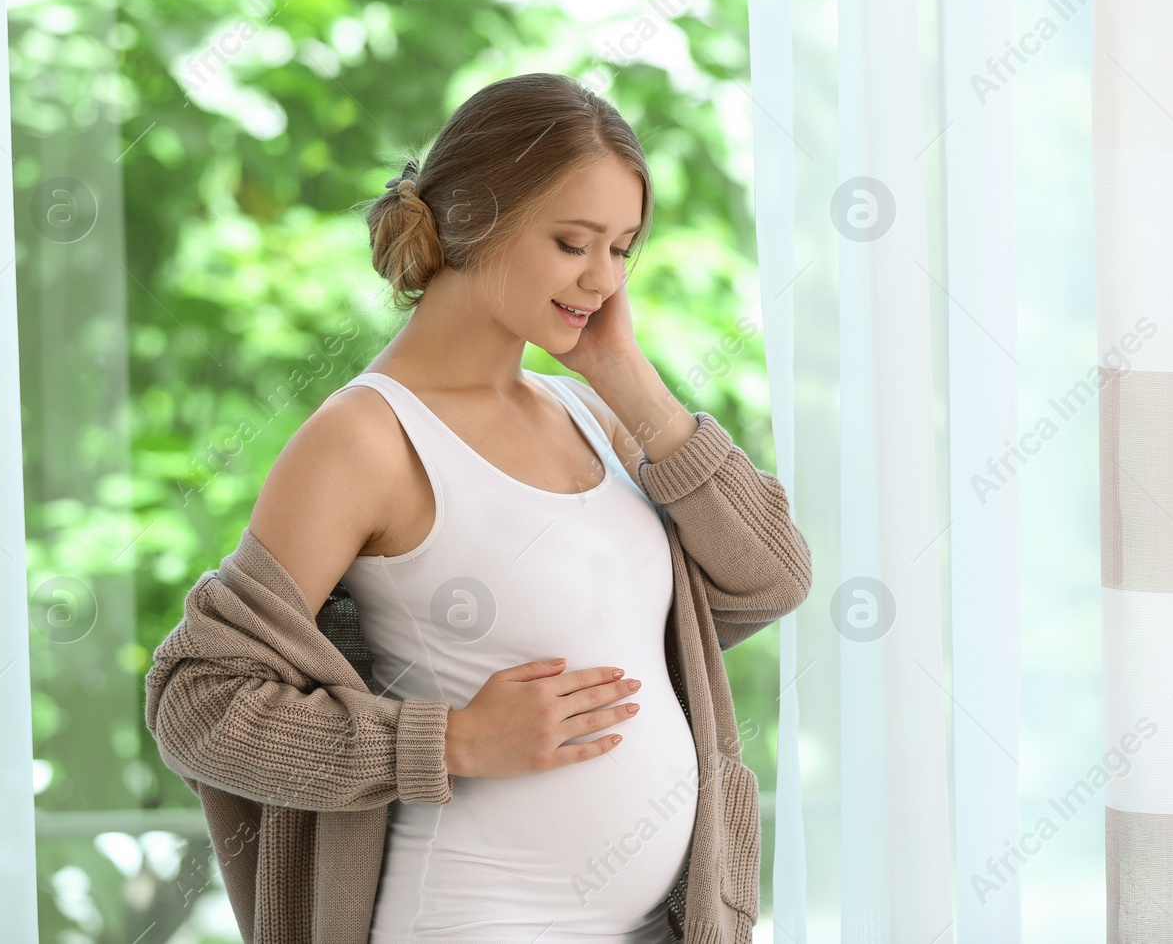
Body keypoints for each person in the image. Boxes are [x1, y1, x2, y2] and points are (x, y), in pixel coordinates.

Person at [146, 71, 811, 944]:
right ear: (470, 221)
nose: (603, 279)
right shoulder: (368, 437)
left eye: (622, 248)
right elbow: (196, 699)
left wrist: (631, 381)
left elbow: (773, 577)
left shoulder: (591, 414)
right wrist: (448, 742)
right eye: (574, 241)